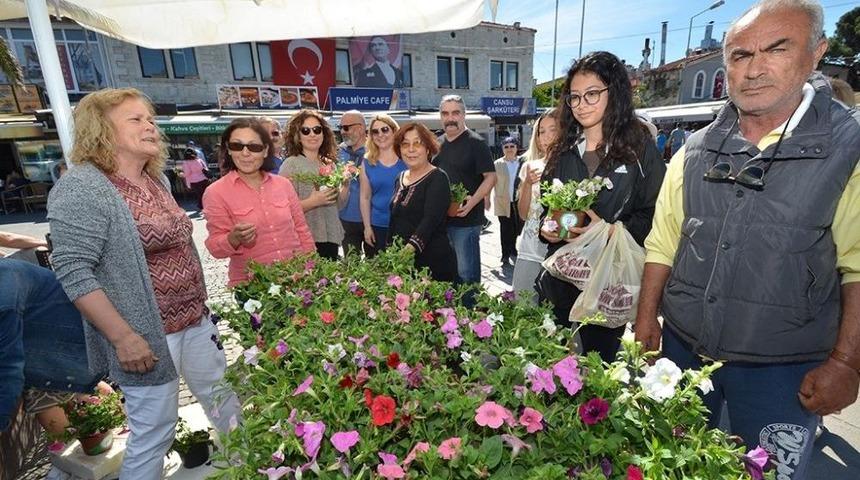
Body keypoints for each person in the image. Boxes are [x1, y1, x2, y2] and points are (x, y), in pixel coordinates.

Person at [634, 1, 860, 477]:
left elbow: (857, 267)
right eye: (739, 56)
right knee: (667, 462)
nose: (754, 69)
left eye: (777, 49)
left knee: (767, 473)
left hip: (783, 368)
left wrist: (845, 361)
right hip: (683, 346)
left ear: (815, 54)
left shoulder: (847, 150)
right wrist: (646, 319)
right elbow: (663, 242)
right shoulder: (694, 150)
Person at [46, 88, 240, 480]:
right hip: (147, 336)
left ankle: (248, 467)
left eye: (150, 119)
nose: (150, 125)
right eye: (135, 119)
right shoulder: (84, 186)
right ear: (102, 130)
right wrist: (122, 338)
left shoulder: (156, 182)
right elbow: (72, 269)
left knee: (227, 405)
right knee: (154, 433)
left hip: (195, 323)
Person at [535, 51, 665, 364]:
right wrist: (548, 229)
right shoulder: (562, 150)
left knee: (598, 370)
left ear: (615, 92)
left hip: (609, 288)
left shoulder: (639, 151)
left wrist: (607, 232)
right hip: (559, 282)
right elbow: (546, 210)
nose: (581, 104)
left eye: (592, 94)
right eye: (574, 97)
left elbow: (657, 217)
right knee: (550, 370)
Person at [0, 258, 109, 436]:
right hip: (65, 337)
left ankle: (84, 452)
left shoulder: (4, 295)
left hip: (61, 344)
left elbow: (8, 369)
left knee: (56, 417)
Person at [203, 118, 315, 287]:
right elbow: (215, 249)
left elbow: (301, 230)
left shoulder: (283, 184)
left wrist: (311, 267)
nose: (245, 153)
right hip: (253, 287)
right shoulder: (216, 192)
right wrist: (232, 238)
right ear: (228, 149)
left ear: (265, 151)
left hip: (296, 279)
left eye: (254, 147)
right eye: (237, 146)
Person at [432, 95, 496, 290]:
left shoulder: (476, 143)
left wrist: (473, 202)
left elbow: (491, 177)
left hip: (466, 223)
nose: (450, 118)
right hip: (441, 223)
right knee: (447, 272)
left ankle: (469, 316)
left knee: (467, 274)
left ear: (464, 114)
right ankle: (451, 316)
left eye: (455, 112)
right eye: (445, 113)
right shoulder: (436, 143)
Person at [389, 123, 458, 281]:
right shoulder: (399, 178)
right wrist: (389, 254)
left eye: (417, 143)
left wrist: (406, 252)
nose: (411, 149)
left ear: (428, 148)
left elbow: (430, 221)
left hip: (432, 264)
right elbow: (394, 219)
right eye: (405, 144)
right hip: (403, 265)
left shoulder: (438, 177)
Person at [280, 109, 345, 260]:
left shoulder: (329, 164)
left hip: (331, 237)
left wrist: (346, 185)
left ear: (324, 133)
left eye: (317, 129)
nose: (312, 134)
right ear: (297, 136)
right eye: (305, 131)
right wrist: (313, 202)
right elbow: (283, 210)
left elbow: (339, 205)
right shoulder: (290, 165)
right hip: (306, 239)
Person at [511, 109, 558, 302]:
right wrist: (529, 184)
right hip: (530, 247)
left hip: (559, 252)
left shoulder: (574, 166)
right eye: (541, 131)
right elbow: (522, 215)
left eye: (552, 130)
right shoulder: (530, 166)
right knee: (523, 306)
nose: (546, 137)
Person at [359, 114, 406, 257]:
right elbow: (365, 197)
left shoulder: (408, 159)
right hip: (377, 227)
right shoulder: (367, 162)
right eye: (375, 131)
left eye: (385, 129)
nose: (380, 135)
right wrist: (367, 227)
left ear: (394, 131)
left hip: (404, 226)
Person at [337, 110, 368, 256]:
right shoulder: (338, 152)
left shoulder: (376, 151)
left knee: (376, 267)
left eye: (346, 127)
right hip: (346, 219)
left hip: (371, 219)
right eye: (341, 127)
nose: (343, 131)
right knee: (351, 265)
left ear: (361, 128)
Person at [493, 137, 523, 266]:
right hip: (503, 201)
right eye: (506, 147)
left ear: (517, 147)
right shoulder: (497, 164)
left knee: (517, 227)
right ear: (502, 149)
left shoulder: (522, 163)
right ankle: (505, 254)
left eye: (512, 146)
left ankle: (513, 248)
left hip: (519, 200)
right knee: (505, 228)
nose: (509, 149)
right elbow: (490, 181)